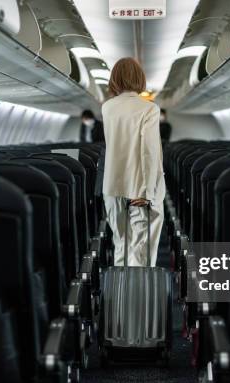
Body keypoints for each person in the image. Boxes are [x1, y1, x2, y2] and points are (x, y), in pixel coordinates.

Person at [101, 57, 166, 267]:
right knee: (141, 254)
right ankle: (139, 299)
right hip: (140, 189)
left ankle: (119, 298)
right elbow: (149, 152)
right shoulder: (149, 109)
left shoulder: (107, 108)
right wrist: (148, 192)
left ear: (115, 79)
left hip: (112, 188)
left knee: (121, 247)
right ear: (140, 79)